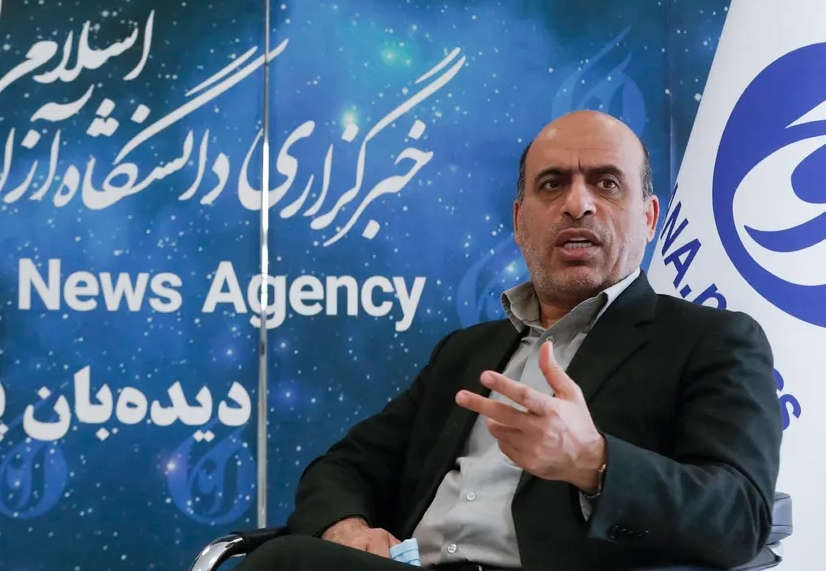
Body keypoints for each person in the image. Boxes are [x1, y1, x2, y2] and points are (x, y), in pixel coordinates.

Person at [240, 111, 782, 571]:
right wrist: (347, 528)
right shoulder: (466, 352)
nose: (578, 204)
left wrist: (594, 462)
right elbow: (345, 466)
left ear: (649, 217)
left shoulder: (710, 341)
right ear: (521, 222)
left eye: (606, 183)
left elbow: (741, 518)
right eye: (552, 184)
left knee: (281, 562)